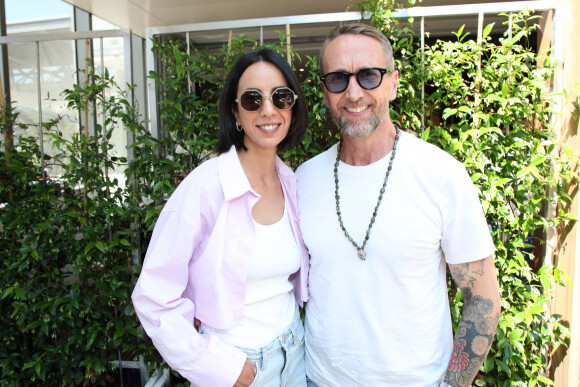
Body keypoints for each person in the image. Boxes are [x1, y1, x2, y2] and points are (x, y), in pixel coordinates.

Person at [296, 23, 501, 387]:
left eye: (369, 76)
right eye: (338, 79)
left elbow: (483, 301)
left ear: (392, 82)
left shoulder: (442, 175)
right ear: (325, 91)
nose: (354, 92)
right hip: (319, 380)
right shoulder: (304, 179)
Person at [132, 48, 310, 387]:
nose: (268, 110)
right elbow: (153, 297)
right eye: (253, 99)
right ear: (236, 112)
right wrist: (213, 366)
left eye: (281, 96)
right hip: (238, 364)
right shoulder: (205, 187)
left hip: (295, 351)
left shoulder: (294, 184)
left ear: (293, 106)